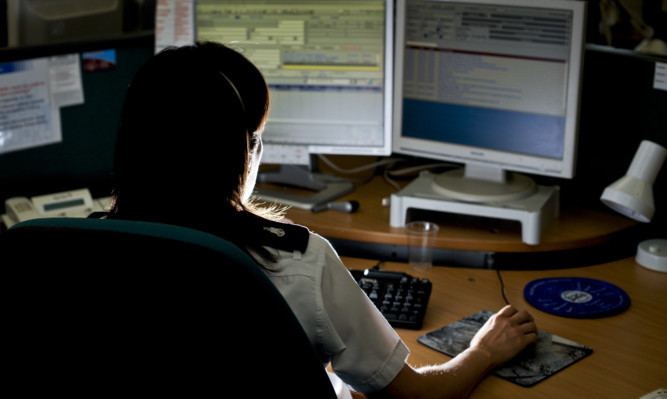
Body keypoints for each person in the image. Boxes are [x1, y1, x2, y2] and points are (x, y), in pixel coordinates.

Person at [108, 41, 538, 399]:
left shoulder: (79, 251)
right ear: (243, 151)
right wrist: (482, 352)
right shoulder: (296, 264)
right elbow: (414, 397)